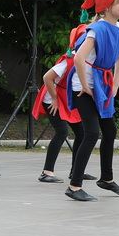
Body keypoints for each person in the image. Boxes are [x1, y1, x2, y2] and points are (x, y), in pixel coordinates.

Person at [65, 0, 119, 201]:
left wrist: (116, 83)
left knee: (109, 131)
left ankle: (106, 179)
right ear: (106, 6)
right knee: (92, 133)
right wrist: (85, 85)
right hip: (83, 88)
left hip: (102, 86)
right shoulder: (97, 29)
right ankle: (74, 186)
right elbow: (78, 58)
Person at [31, 24, 89, 183]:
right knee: (62, 132)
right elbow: (47, 78)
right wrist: (55, 99)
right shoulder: (69, 60)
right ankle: (46, 172)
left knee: (82, 133)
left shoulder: (87, 59)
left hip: (67, 98)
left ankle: (76, 171)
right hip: (53, 98)